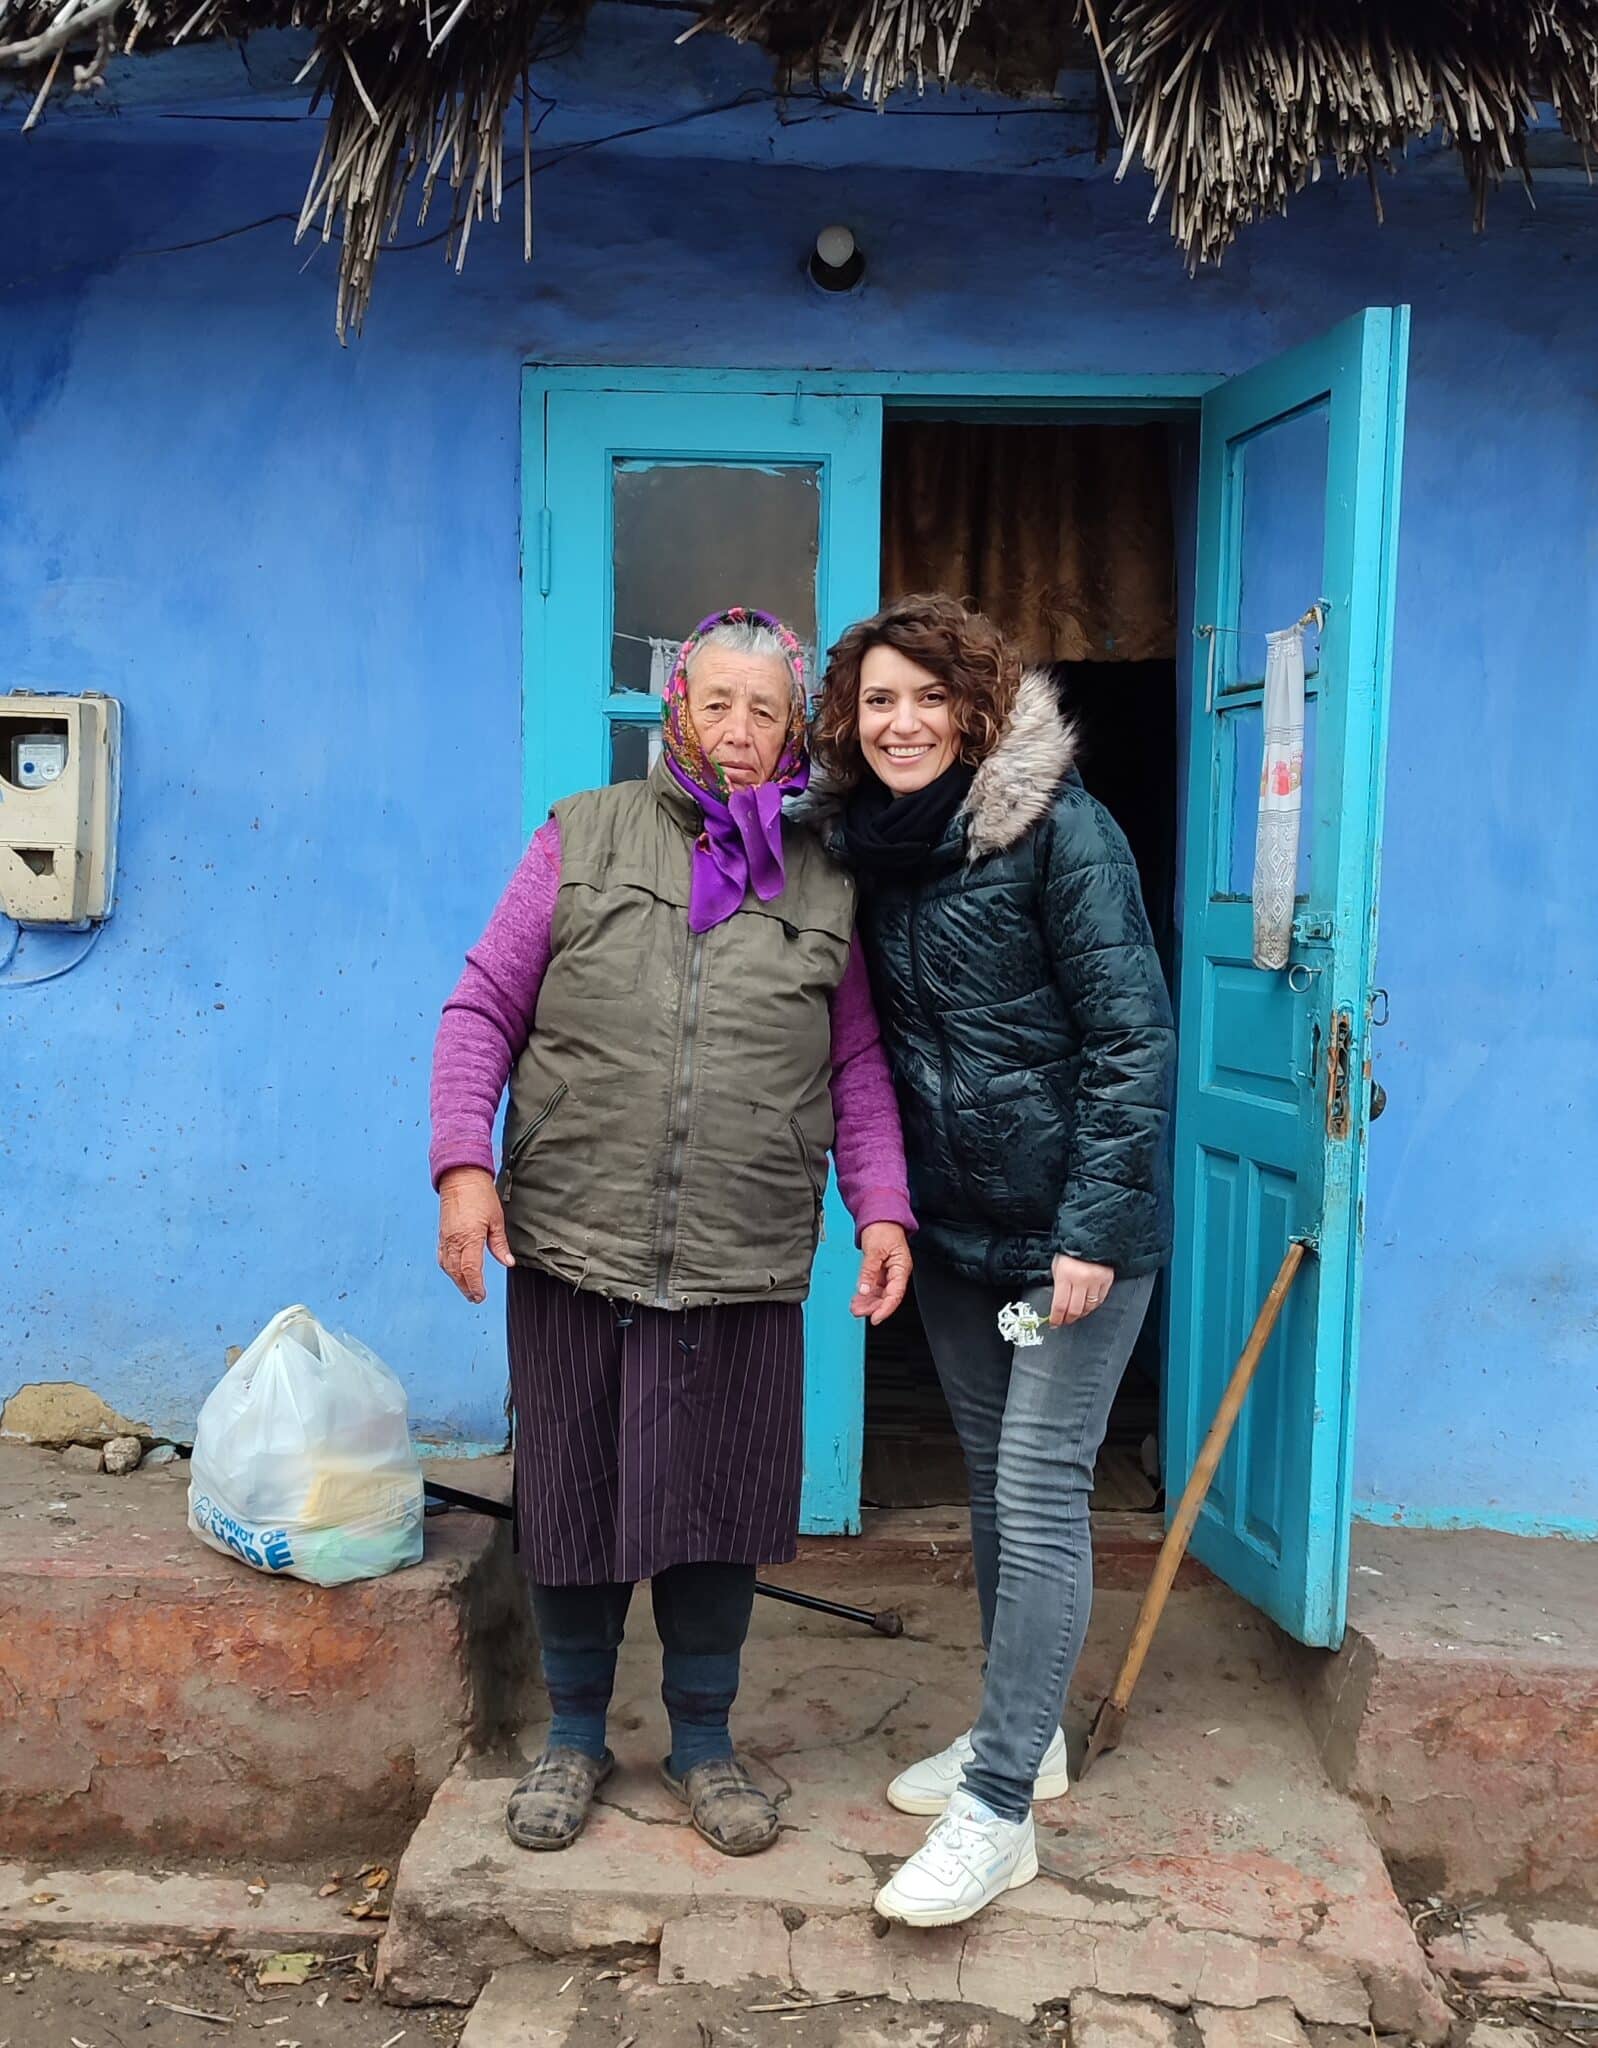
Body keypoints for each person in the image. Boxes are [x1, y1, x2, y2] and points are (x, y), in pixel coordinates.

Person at [428, 606, 916, 1860]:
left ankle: (703, 1742)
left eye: (766, 711)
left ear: (792, 725)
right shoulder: (581, 837)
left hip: (741, 1255)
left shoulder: (824, 872)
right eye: (717, 704)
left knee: (720, 1505)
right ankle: (574, 1736)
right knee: (574, 1496)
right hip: (577, 1235)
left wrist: (882, 1205)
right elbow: (483, 1003)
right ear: (676, 709)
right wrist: (462, 1167)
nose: (740, 733)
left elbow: (854, 1056)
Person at [810, 592, 1175, 1927]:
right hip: (960, 1239)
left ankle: (1001, 1806)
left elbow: (1130, 1038)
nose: (899, 723)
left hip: (1076, 1246)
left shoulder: (1060, 833)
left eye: (923, 697)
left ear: (974, 708)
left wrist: (1088, 1226)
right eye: (874, 702)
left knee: (1036, 1491)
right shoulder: (868, 849)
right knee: (988, 1488)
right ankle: (1029, 1732)